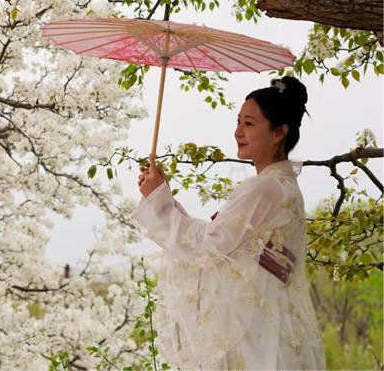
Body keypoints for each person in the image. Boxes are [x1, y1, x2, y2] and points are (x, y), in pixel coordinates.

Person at [132, 76, 325, 370]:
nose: (238, 132)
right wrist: (161, 198)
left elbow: (207, 248)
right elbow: (220, 240)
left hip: (251, 334)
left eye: (249, 123)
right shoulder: (286, 187)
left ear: (278, 132)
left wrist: (157, 200)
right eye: (238, 122)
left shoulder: (264, 189)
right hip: (275, 328)